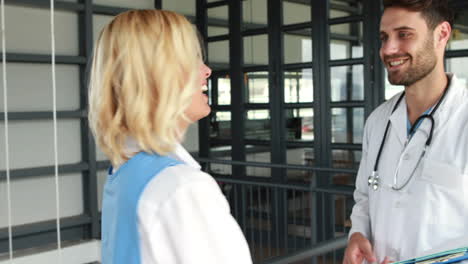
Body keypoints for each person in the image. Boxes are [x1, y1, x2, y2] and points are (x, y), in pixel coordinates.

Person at [88, 10, 252, 264]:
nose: (206, 71)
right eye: (192, 59)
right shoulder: (181, 188)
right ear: (157, 75)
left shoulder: (125, 173)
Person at [344, 0, 468, 263]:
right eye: (384, 37)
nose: (388, 49)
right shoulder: (378, 121)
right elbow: (364, 196)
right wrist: (357, 233)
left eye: (404, 35)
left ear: (442, 34)